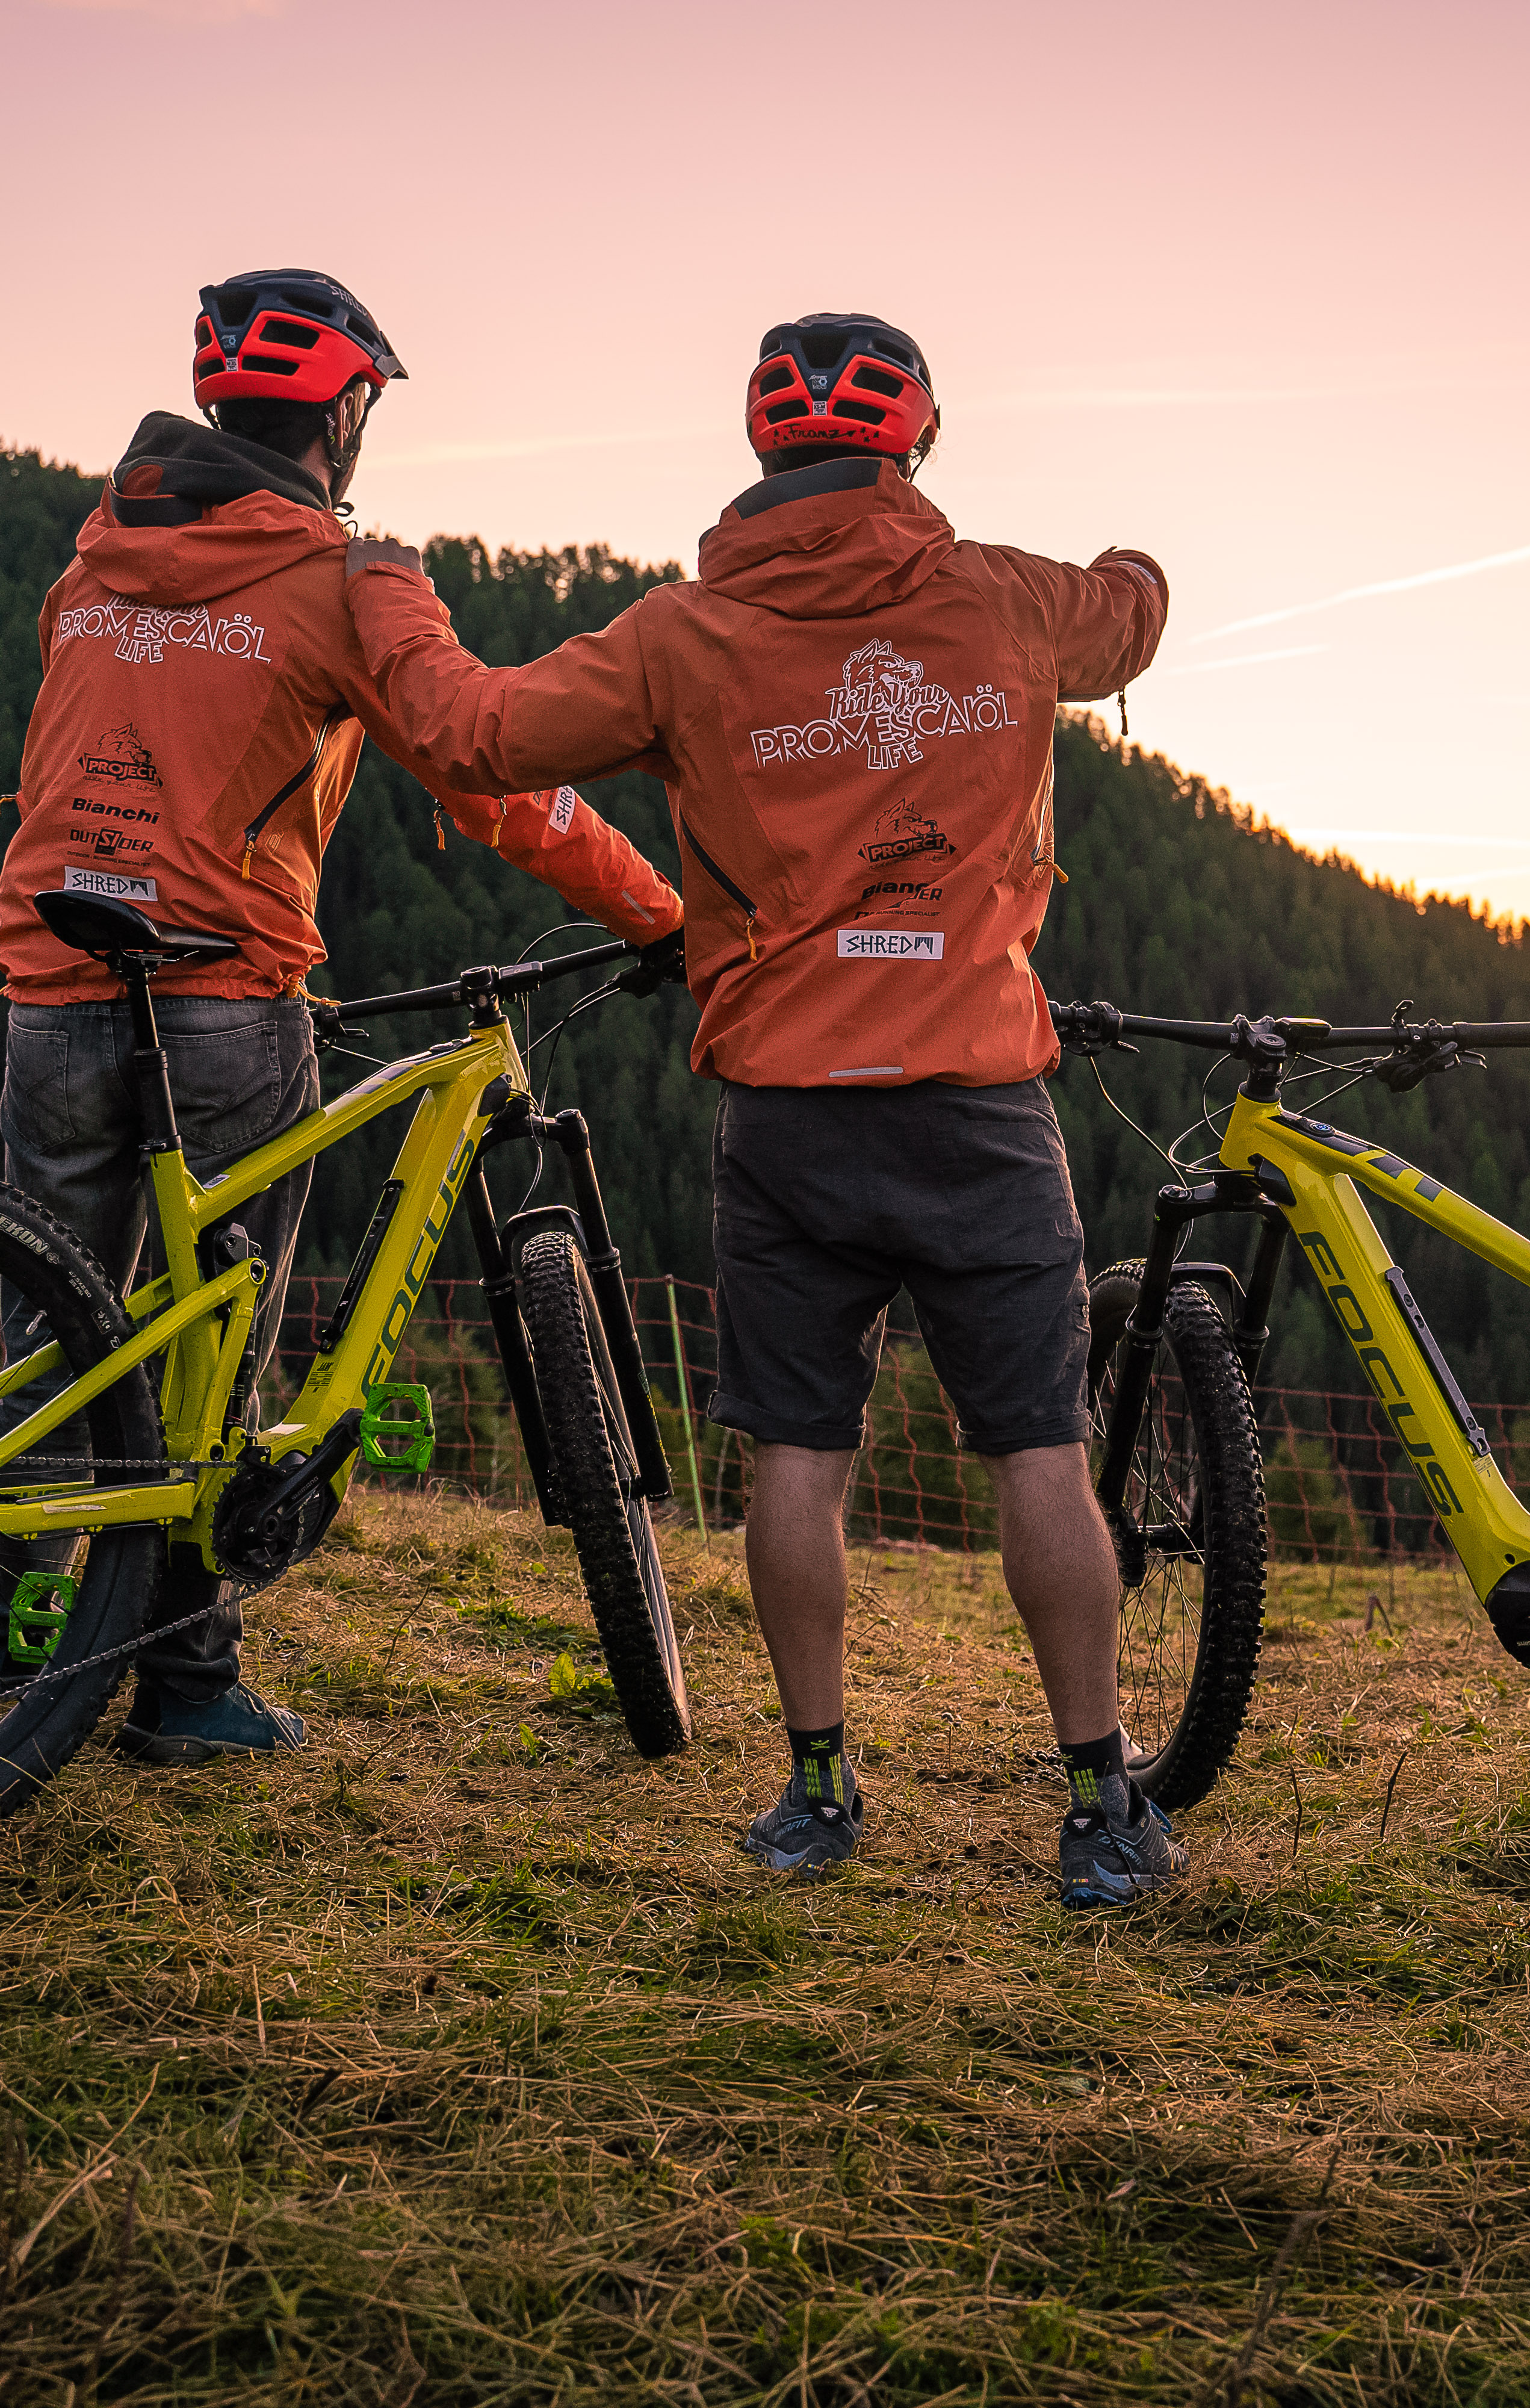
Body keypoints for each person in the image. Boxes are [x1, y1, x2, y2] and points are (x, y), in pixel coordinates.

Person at [339, 313, 1176, 1905]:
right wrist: (1132, 563)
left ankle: (815, 1792)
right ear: (912, 445)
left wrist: (388, 591)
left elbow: (476, 735)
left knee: (796, 1456)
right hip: (978, 1099)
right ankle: (1097, 1805)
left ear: (762, 450)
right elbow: (1130, 624)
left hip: (789, 1108)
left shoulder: (681, 639)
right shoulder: (1005, 598)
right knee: (1039, 1455)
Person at [0, 267, 687, 1765]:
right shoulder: (343, 578)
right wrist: (656, 907)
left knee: (62, 1322)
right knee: (210, 1347)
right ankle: (182, 1680)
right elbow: (482, 770)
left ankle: (7, 1623)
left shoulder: (92, 566)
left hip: (46, 983)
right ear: (344, 412)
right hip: (222, 993)